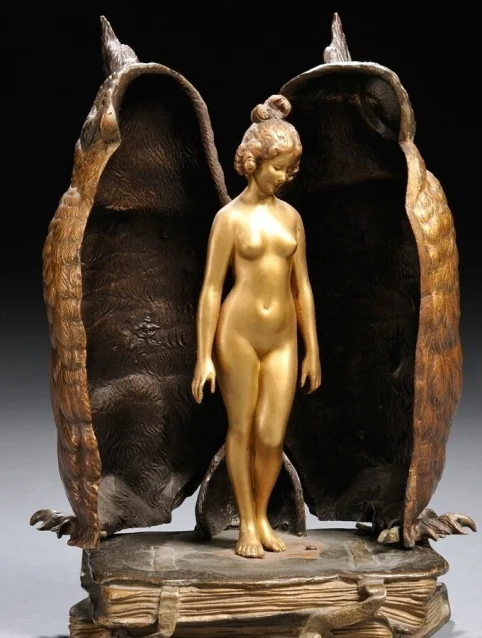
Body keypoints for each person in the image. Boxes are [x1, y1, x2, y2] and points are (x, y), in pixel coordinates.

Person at [191, 94, 321, 558]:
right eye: (278, 168)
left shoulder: (292, 219)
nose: (284, 177)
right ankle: (246, 522)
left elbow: (302, 288)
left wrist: (312, 350)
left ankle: (263, 514)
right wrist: (203, 356)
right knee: (242, 429)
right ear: (252, 163)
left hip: (283, 338)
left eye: (290, 169)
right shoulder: (228, 220)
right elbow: (211, 289)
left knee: (271, 436)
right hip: (238, 334)